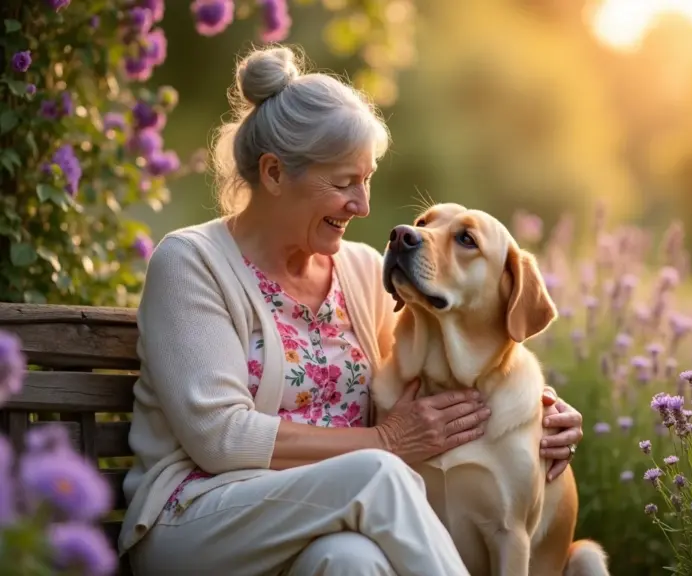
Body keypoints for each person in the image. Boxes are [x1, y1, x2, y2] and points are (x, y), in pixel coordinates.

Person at [119, 44, 584, 576]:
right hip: (200, 519)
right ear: (274, 173)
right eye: (344, 183)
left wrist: (536, 410)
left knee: (351, 561)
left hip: (328, 521)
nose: (362, 205)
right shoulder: (190, 264)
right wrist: (382, 442)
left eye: (366, 180)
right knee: (379, 474)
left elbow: (438, 356)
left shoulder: (362, 271)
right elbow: (221, 439)